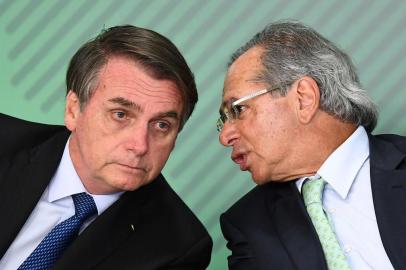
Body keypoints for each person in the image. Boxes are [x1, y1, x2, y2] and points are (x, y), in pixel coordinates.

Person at [0, 25, 212, 269]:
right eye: (121, 114)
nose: (139, 145)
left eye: (162, 125)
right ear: (73, 109)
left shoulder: (178, 248)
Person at [217, 21, 406, 270]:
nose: (225, 136)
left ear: (304, 99)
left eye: (238, 109)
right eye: (223, 120)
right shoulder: (249, 225)